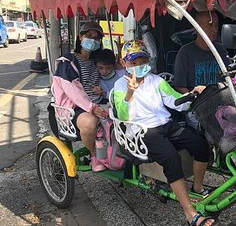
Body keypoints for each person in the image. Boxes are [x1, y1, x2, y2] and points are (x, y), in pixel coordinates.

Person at [113, 41, 215, 226]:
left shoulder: (156, 81)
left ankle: (198, 188)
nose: (139, 66)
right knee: (171, 157)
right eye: (133, 63)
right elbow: (122, 115)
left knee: (200, 144)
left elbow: (177, 102)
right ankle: (189, 212)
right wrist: (130, 93)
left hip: (165, 125)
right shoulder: (120, 86)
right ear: (123, 63)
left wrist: (193, 93)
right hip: (141, 131)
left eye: (142, 61)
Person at [52, 21, 108, 172]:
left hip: (98, 101)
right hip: (75, 107)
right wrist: (91, 107)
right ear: (80, 37)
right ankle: (94, 155)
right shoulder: (67, 62)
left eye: (97, 38)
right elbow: (72, 90)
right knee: (90, 123)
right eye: (89, 36)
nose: (93, 40)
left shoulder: (96, 61)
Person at [174, 11, 230, 93]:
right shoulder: (185, 52)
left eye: (216, 25)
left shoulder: (221, 49)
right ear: (197, 27)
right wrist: (194, 99)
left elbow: (229, 76)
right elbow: (180, 85)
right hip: (198, 103)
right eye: (210, 25)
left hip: (220, 99)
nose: (214, 29)